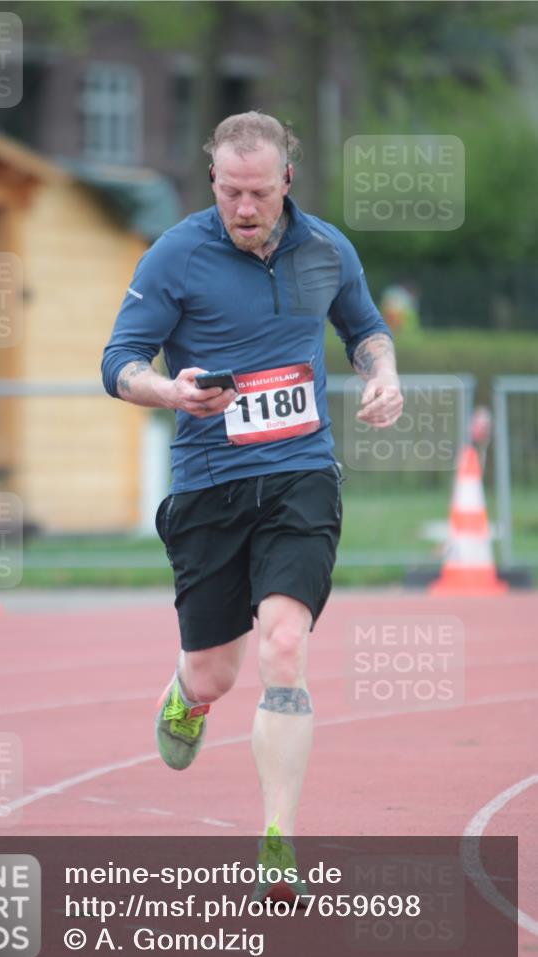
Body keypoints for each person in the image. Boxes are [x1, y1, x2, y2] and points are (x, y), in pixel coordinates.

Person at [102, 111, 403, 896]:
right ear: (212, 182)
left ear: (286, 184)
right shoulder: (175, 255)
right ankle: (185, 695)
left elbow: (364, 329)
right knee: (213, 674)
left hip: (301, 474)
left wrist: (383, 375)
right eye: (230, 191)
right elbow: (118, 361)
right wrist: (168, 389)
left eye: (258, 193)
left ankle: (277, 837)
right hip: (209, 484)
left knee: (283, 646)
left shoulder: (325, 250)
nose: (244, 207)